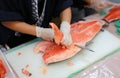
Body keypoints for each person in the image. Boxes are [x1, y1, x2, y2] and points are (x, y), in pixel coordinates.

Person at [0, 0, 73, 48]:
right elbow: (7, 20)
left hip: (40, 40)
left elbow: (64, 4)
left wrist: (65, 25)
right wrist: (40, 32)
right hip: (14, 41)